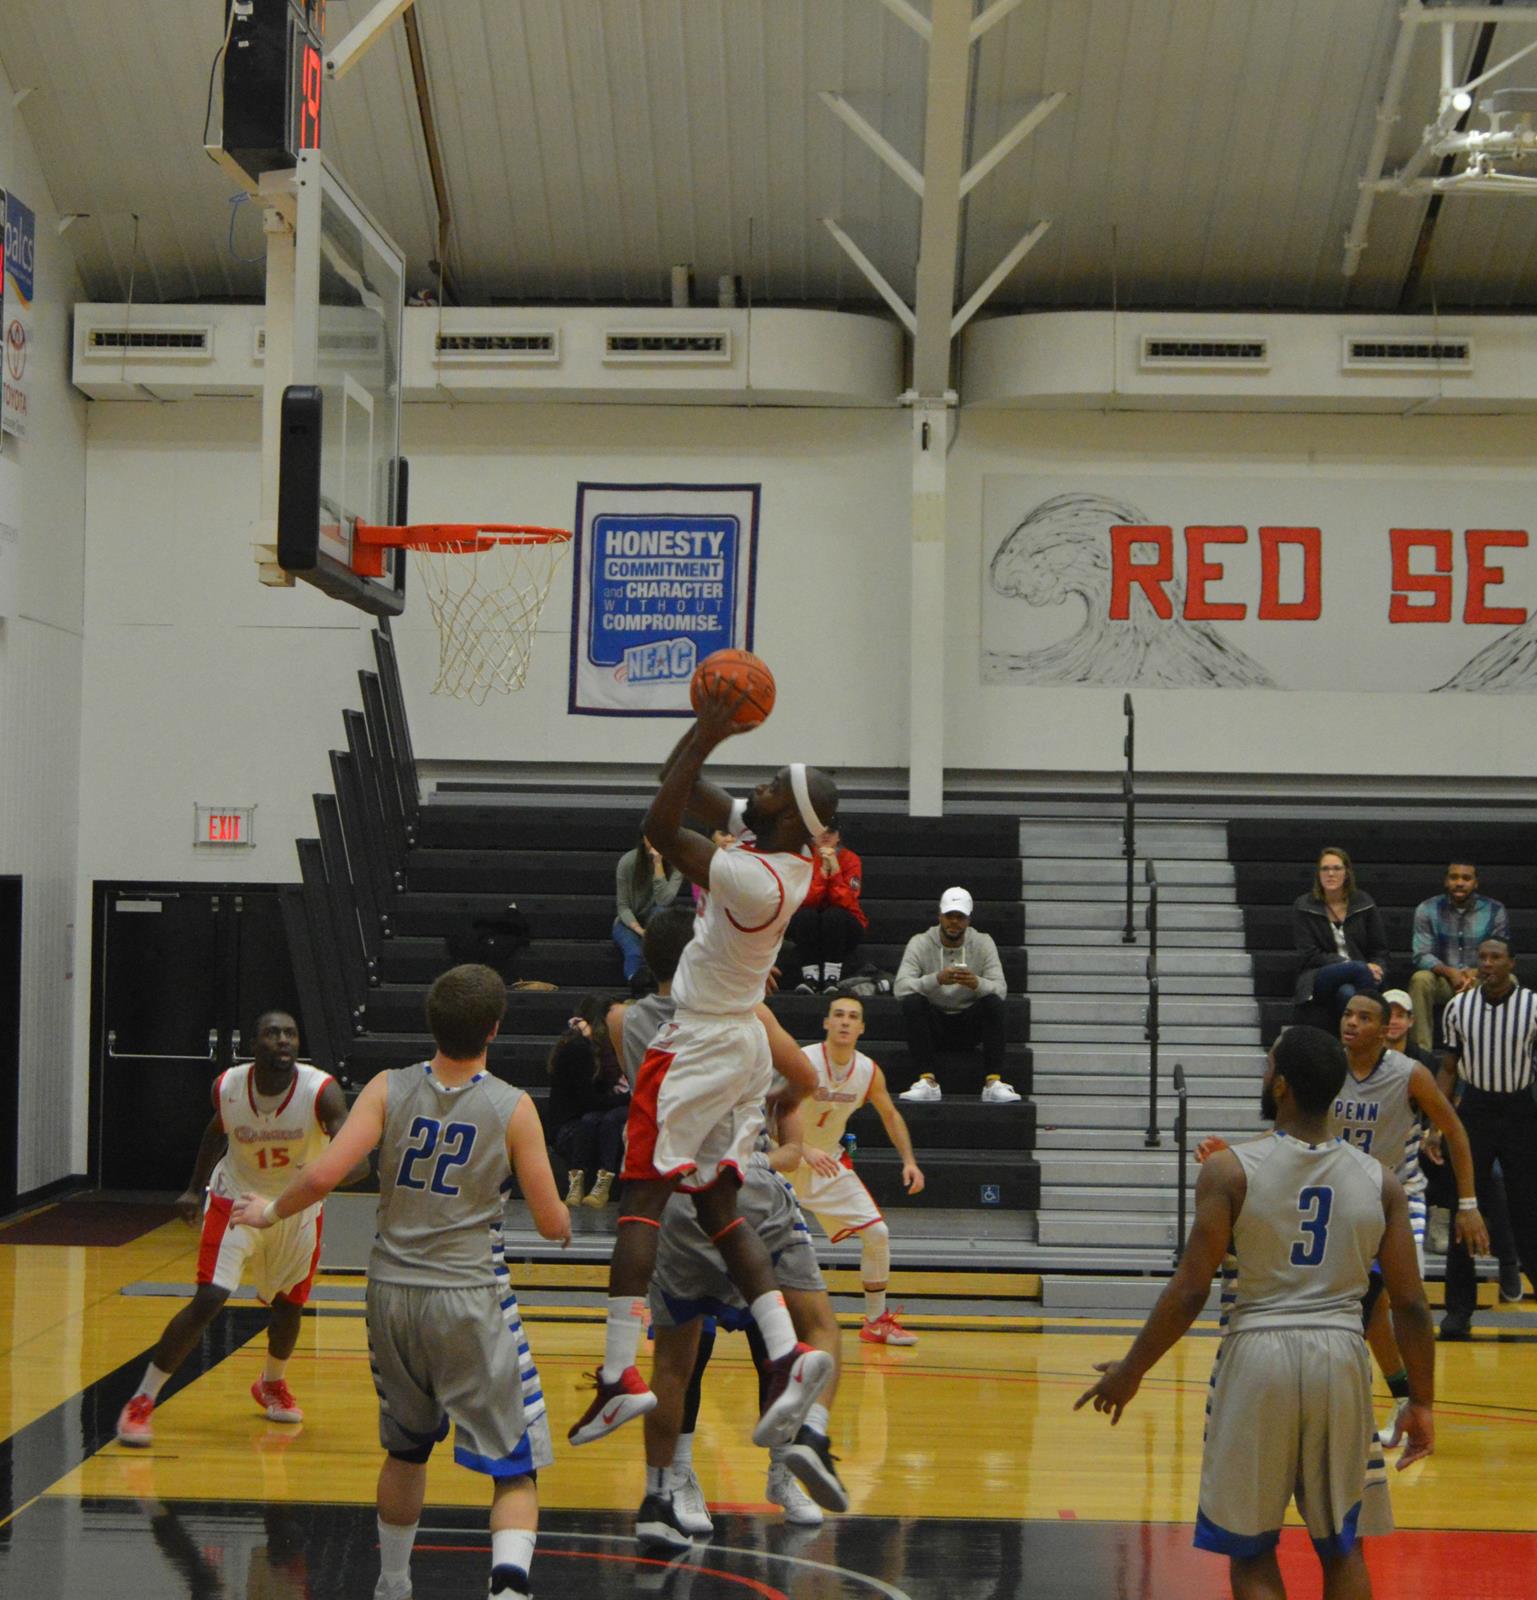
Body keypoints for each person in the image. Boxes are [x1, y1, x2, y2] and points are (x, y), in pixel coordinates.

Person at [230, 964, 572, 1600]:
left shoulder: (387, 1088)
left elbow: (326, 1173)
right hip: (470, 1295)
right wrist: (565, 1224)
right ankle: (508, 1588)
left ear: (430, 1023)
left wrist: (270, 1210)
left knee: (407, 1450)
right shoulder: (513, 1106)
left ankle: (392, 1584)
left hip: (389, 1292)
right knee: (514, 1469)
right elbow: (551, 1222)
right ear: (495, 1029)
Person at [567, 683, 841, 1452]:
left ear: (788, 816)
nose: (753, 791)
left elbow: (658, 824)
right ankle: (787, 1355)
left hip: (699, 1043)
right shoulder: (772, 843)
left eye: (769, 789)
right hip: (739, 1045)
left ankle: (621, 1374)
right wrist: (702, 729)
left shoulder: (756, 877)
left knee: (640, 1198)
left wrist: (711, 735)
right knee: (717, 1200)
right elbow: (676, 779)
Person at [1079, 1026, 1434, 1600]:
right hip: (1341, 1355)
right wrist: (1420, 1400)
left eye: (1269, 1067)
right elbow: (1412, 1305)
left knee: (1251, 1551)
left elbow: (1190, 1291)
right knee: (1343, 1548)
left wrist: (1132, 1368)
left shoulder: (1230, 1171)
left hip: (1258, 1352)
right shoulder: (1382, 1181)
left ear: (1283, 1087)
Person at [606, 905, 826, 1533]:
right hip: (728, 1187)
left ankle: (673, 1481)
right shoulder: (743, 1009)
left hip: (668, 1196)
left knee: (683, 1358)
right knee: (774, 1340)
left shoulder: (623, 1020)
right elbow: (804, 1077)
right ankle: (784, 1468)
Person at [115, 1011, 363, 1447]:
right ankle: (142, 1400)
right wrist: (194, 1190)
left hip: (294, 1207)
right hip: (236, 1201)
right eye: (272, 1033)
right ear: (255, 1043)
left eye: (290, 1033)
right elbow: (216, 1132)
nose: (283, 1040)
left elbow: (353, 1159)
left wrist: (349, 1164)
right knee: (210, 1296)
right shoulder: (228, 1087)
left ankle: (271, 1382)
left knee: (288, 1305)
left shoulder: (320, 1091)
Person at [638, 1091, 849, 1548]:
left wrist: (749, 1163)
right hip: (691, 1204)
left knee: (775, 1345)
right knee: (691, 1354)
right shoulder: (680, 1049)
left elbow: (793, 1152)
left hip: (749, 1198)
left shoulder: (771, 1058)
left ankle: (783, 1468)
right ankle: (679, 1474)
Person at [791, 994, 926, 1345]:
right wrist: (803, 1149)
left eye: (853, 1016)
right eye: (838, 1015)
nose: (845, 1022)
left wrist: (909, 1161)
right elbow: (767, 1110)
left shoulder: (867, 1071)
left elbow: (891, 1115)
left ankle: (876, 1321)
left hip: (828, 1163)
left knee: (877, 1233)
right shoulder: (803, 1062)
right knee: (742, 1238)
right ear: (826, 1023)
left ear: (862, 1027)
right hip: (782, 1159)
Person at [1385, 986, 1524, 1302]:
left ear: (1410, 1021)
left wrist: (1431, 1132)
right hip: (1382, 1158)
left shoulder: (1422, 1063)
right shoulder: (1362, 1061)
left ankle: (1506, 1261)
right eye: (1388, 1014)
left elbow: (1446, 1111)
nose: (1393, 1021)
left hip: (1419, 1154)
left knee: (1486, 1176)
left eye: (1399, 1014)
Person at [1434, 936, 1537, 1340]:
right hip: (1473, 1113)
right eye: (1483, 958)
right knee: (1466, 1206)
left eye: (1496, 957)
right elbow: (1448, 1068)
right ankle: (1459, 1311)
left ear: (1512, 962)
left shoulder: (1532, 1006)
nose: (1488, 964)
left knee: (1528, 1211)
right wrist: (1437, 1123)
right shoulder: (1459, 1007)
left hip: (1520, 1112)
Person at [894, 887, 1014, 1103]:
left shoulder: (983, 942)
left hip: (968, 1024)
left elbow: (1000, 989)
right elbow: (900, 988)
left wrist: (977, 983)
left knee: (993, 1003)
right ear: (940, 916)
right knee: (912, 1002)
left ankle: (993, 1082)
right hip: (934, 1025)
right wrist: (936, 979)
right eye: (949, 916)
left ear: (969, 920)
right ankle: (927, 1080)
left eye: (960, 917)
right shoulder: (920, 942)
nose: (954, 922)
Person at [1408, 862, 1509, 1055]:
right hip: (1443, 980)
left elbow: (1501, 954)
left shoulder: (1494, 910)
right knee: (1420, 979)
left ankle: (1499, 1052)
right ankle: (1422, 1054)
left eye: (1466, 878)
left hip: (1481, 979)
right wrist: (1450, 972)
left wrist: (1474, 973)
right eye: (1454, 878)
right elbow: (1421, 954)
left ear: (1475, 883)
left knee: (1509, 981)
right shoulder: (1427, 908)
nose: (1460, 883)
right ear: (1446, 881)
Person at [546, 994, 630, 1208]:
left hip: (578, 1120)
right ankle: (585, 1182)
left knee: (602, 1121)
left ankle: (594, 1183)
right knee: (597, 1122)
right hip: (569, 1127)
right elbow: (589, 1101)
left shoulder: (589, 1046)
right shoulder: (580, 1048)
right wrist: (629, 1097)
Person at [1292, 846, 1389, 1020]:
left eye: (1337, 868)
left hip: (1360, 977)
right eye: (1325, 869)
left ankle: (1352, 1042)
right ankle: (1373, 1032)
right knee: (1358, 969)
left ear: (1347, 873)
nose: (1331, 874)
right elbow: (1309, 955)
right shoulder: (1304, 906)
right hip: (1319, 975)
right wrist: (1350, 964)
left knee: (1348, 994)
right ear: (1318, 874)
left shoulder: (1364, 902)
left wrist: (1378, 968)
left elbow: (1379, 950)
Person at [786, 826, 867, 993]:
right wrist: (823, 873)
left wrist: (835, 871)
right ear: (812, 836)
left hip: (846, 925)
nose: (825, 836)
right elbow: (804, 900)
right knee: (805, 915)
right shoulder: (802, 858)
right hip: (808, 922)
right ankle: (810, 978)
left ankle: (832, 977)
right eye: (820, 832)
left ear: (838, 836)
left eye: (831, 832)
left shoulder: (851, 859)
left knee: (834, 915)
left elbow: (846, 901)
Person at [613, 832, 685, 980]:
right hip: (629, 923)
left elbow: (664, 900)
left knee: (659, 914)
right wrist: (641, 931)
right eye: (650, 836)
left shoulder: (676, 863)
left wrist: (658, 864)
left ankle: (659, 987)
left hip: (658, 921)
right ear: (643, 838)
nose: (655, 841)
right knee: (634, 952)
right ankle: (635, 984)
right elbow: (623, 906)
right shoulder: (628, 861)